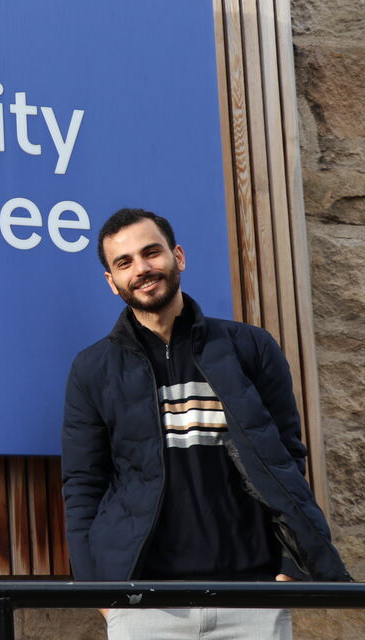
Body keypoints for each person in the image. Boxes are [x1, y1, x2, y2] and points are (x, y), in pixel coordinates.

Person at [61, 208, 351, 639]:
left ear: (178, 256)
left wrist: (289, 568)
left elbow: (287, 460)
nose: (142, 269)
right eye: (124, 263)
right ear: (111, 281)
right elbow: (83, 486)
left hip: (252, 598)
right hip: (145, 605)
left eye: (151, 253)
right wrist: (100, 597)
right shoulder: (93, 370)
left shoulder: (249, 348)